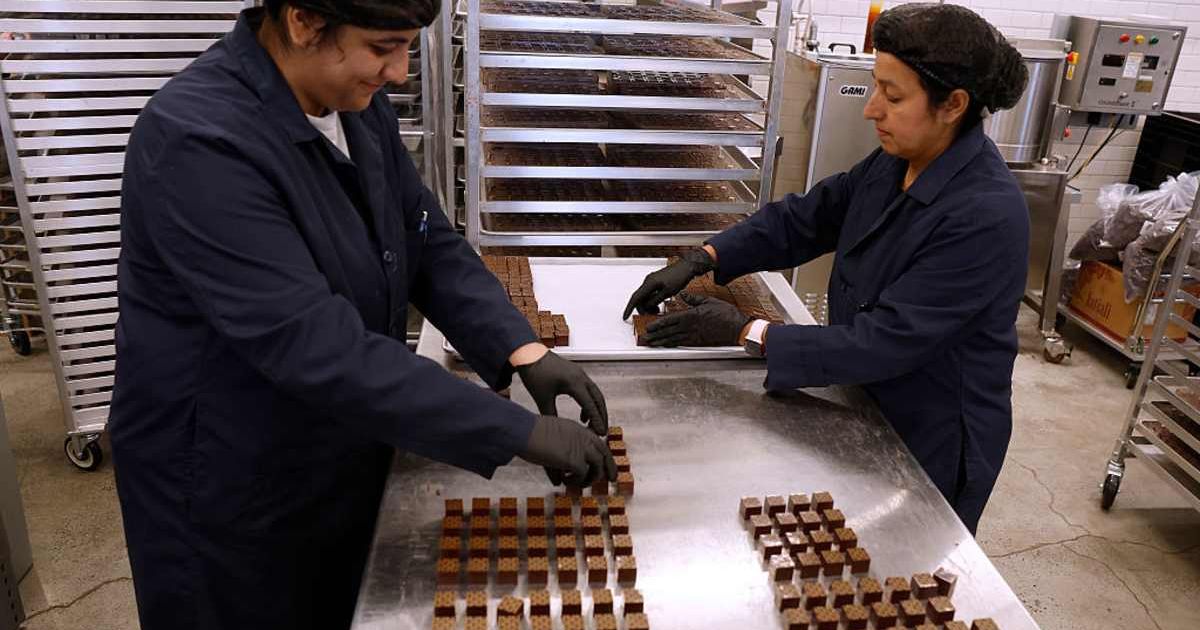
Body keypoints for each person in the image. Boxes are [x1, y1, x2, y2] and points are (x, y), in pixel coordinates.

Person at [109, 1, 614, 628]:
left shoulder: (354, 107)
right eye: (383, 47)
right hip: (231, 481)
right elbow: (312, 343)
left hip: (332, 440)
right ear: (302, 21)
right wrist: (511, 430)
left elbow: (423, 237)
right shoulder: (198, 142)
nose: (399, 72)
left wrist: (520, 348)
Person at [624, 4, 1030, 534]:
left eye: (893, 94)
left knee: (904, 574)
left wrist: (748, 330)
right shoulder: (897, 161)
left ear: (953, 104)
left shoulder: (985, 214)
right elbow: (808, 219)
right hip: (863, 396)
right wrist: (708, 256)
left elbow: (884, 342)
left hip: (931, 430)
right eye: (874, 87)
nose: (872, 109)